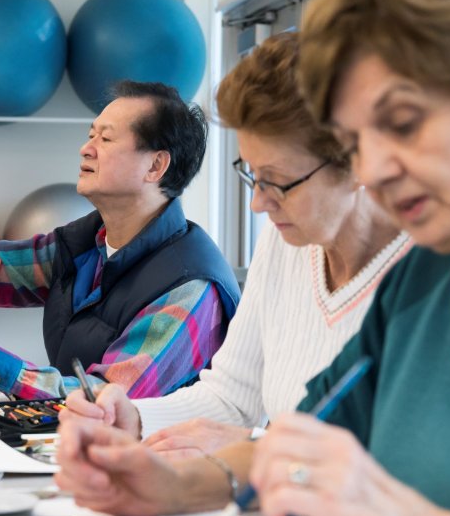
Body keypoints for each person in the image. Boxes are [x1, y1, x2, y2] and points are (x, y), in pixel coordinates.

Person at [56, 0, 450, 516]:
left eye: (405, 122)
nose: (375, 168)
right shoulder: (428, 279)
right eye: (358, 140)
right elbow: (299, 441)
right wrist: (168, 486)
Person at [61, 32, 409, 458]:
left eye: (278, 182)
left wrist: (259, 451)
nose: (259, 203)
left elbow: (419, 468)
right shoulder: (286, 243)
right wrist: (134, 417)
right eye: (252, 175)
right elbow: (232, 399)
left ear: (360, 162)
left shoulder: (432, 273)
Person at [0, 81, 240, 400]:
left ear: (156, 166)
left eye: (106, 138)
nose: (86, 149)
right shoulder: (86, 242)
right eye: (90, 135)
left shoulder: (191, 287)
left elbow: (105, 399)